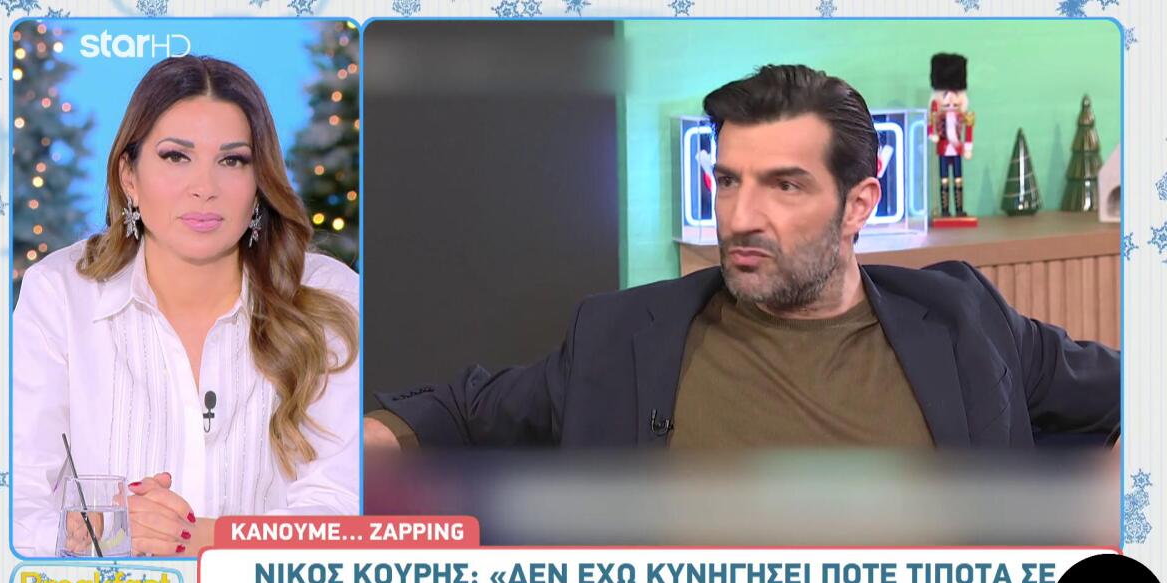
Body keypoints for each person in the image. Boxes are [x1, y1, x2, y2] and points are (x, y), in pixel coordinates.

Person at [363, 64, 1119, 450]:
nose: (740, 217)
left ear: (859, 204)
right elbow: (455, 412)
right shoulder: (620, 337)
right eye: (728, 180)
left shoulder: (963, 317)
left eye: (785, 185)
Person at [13, 56, 360, 557]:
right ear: (129, 176)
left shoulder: (328, 296)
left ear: (259, 183)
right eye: (176, 156)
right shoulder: (59, 294)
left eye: (232, 160)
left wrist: (205, 539)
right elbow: (11, 500)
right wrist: (106, 533)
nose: (205, 188)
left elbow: (341, 510)